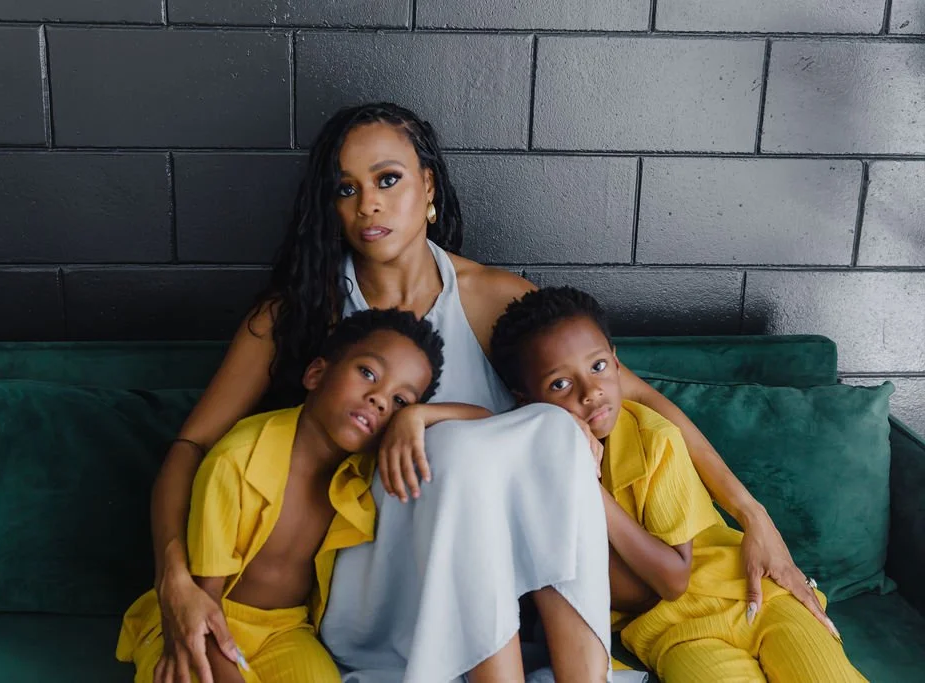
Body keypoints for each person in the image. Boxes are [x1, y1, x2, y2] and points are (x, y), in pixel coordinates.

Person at [149, 102, 834, 683]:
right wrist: (175, 579)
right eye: (346, 188)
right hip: (377, 567)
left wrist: (751, 512)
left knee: (557, 431)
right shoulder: (295, 311)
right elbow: (192, 445)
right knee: (469, 451)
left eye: (388, 179)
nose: (369, 203)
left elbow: (635, 398)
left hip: (505, 575)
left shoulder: (494, 299)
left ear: (429, 188)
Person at [490, 286, 865, 682]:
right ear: (526, 401)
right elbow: (651, 594)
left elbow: (674, 577)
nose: (591, 392)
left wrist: (590, 488)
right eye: (560, 385)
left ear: (617, 364)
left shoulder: (654, 437)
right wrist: (582, 482)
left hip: (752, 594)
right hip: (673, 634)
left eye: (598, 367)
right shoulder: (537, 485)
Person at [116, 308, 446, 682]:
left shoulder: (360, 469)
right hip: (200, 617)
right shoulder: (237, 459)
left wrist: (416, 419)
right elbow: (202, 605)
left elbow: (483, 417)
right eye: (368, 373)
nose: (380, 400)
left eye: (400, 400)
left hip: (285, 630)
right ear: (316, 373)